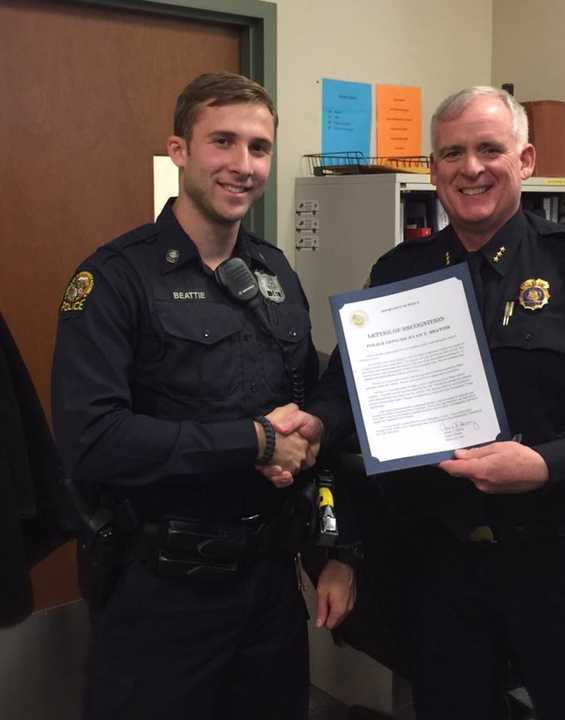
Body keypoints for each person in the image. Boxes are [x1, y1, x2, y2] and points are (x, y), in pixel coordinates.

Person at [267, 86, 565, 719]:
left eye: (489, 149)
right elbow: (352, 389)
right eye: (452, 152)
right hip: (441, 563)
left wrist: (544, 462)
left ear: (526, 160)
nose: (470, 168)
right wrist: (318, 420)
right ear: (433, 169)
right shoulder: (399, 270)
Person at [52, 72, 354, 720]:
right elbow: (92, 440)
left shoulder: (275, 272)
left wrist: (334, 548)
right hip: (161, 592)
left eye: (259, 147)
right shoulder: (113, 280)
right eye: (223, 141)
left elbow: (309, 408)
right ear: (180, 150)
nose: (243, 165)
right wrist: (253, 440)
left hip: (272, 588)